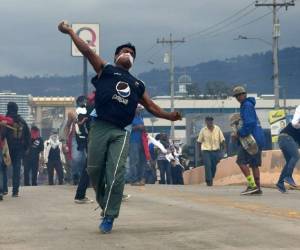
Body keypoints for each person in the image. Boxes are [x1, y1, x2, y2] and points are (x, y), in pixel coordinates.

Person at [58, 21, 181, 234]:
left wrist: (170, 116)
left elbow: (151, 106)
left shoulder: (137, 84)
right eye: (124, 51)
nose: (128, 54)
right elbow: (87, 50)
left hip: (121, 131)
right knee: (94, 170)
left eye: (132, 53)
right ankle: (105, 205)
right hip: (100, 127)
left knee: (116, 172)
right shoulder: (106, 70)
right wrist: (70, 31)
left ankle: (110, 215)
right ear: (116, 57)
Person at [232, 86, 265, 195]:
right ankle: (257, 188)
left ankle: (252, 185)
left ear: (244, 94)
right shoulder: (249, 105)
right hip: (258, 138)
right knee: (254, 164)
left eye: (239, 95)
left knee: (240, 161)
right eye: (236, 96)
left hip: (251, 140)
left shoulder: (246, 105)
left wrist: (239, 133)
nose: (238, 97)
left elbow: (249, 123)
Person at [5, 102, 30, 197]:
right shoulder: (22, 121)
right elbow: (28, 136)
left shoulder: (5, 120)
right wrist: (26, 148)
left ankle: (3, 189)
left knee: (3, 168)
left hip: (6, 148)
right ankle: (15, 191)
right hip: (19, 148)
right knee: (16, 168)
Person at [276, 105, 300, 193]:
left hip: (281, 139)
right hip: (286, 138)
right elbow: (295, 124)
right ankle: (288, 176)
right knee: (296, 156)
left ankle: (280, 183)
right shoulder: (297, 122)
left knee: (290, 161)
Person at [197, 116, 225, 186]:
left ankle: (210, 177)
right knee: (208, 165)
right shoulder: (203, 130)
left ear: (212, 121)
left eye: (211, 121)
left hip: (216, 151)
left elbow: (222, 140)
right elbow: (199, 142)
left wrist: (224, 150)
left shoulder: (217, 129)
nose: (209, 122)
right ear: (206, 122)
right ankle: (209, 181)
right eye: (208, 121)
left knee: (214, 166)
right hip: (206, 151)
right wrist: (199, 153)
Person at [128, 105, 148, 186]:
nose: (140, 110)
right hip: (133, 141)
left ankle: (140, 178)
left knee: (142, 160)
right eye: (138, 108)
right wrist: (137, 127)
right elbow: (126, 128)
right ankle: (133, 180)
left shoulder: (140, 117)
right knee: (134, 161)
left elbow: (142, 128)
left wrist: (144, 128)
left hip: (142, 142)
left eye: (141, 109)